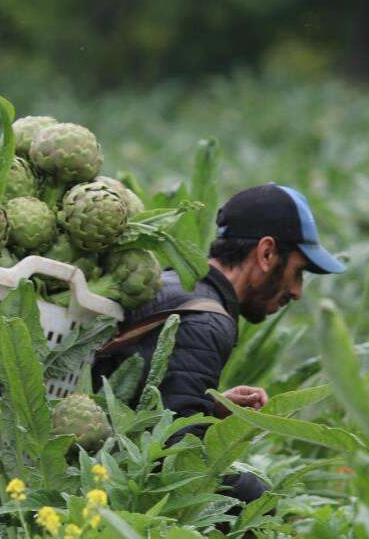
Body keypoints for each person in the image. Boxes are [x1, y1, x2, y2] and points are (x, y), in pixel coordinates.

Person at [92, 182, 346, 503]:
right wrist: (266, 504)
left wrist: (207, 407)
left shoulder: (176, 284)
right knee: (256, 500)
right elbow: (176, 464)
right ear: (266, 253)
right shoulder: (207, 321)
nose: (297, 291)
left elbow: (140, 400)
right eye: (298, 272)